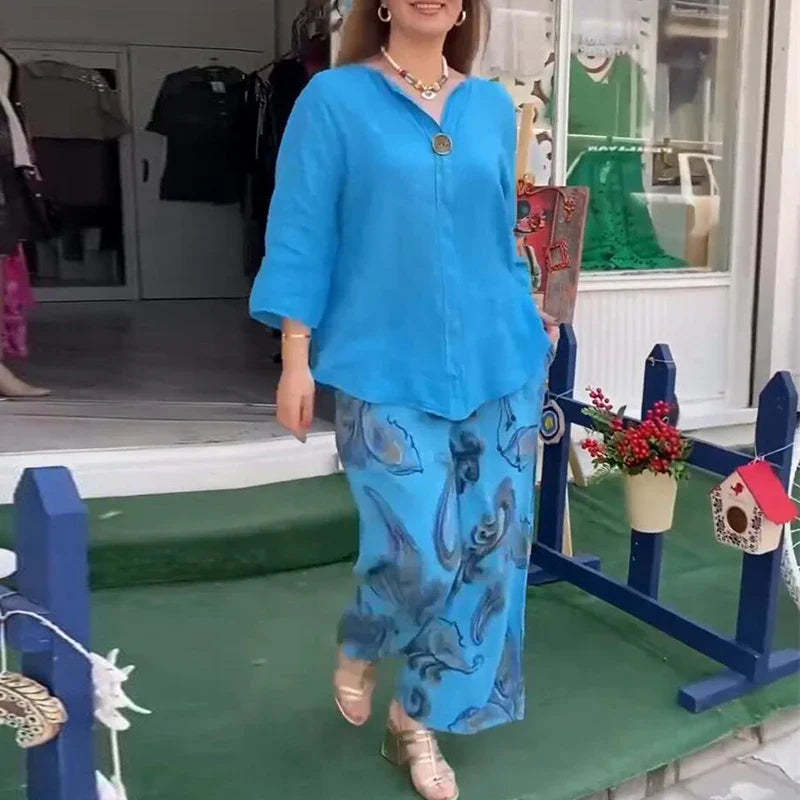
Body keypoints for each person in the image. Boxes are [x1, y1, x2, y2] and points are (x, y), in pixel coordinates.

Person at [249, 1, 557, 797]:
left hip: (501, 362)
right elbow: (303, 229)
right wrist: (295, 358)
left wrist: (532, 315)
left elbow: (499, 230)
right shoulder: (334, 100)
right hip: (384, 363)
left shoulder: (490, 108)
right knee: (420, 552)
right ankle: (363, 642)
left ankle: (415, 719)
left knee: (491, 556)